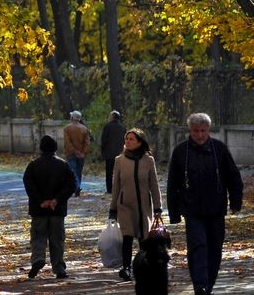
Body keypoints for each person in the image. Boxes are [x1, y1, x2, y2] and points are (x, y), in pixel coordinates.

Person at [167, 113, 244, 295]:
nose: (200, 135)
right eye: (195, 131)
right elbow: (173, 184)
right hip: (192, 210)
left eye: (203, 131)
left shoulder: (219, 149)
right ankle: (200, 285)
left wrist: (235, 202)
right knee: (198, 247)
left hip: (216, 209)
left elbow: (234, 178)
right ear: (190, 131)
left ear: (209, 130)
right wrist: (174, 213)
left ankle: (207, 286)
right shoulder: (180, 152)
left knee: (214, 250)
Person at [108, 128, 162, 281]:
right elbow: (116, 186)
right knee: (127, 237)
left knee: (144, 239)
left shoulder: (148, 160)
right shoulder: (120, 160)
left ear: (140, 142)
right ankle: (126, 268)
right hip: (125, 205)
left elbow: (154, 185)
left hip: (144, 206)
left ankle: (144, 267)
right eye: (127, 139)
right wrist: (113, 208)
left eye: (132, 139)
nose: (128, 141)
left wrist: (158, 206)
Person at [23, 134, 77, 279]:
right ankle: (59, 268)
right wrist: (57, 200)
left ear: (41, 148)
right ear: (55, 148)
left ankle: (38, 259)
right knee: (57, 239)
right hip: (57, 210)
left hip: (39, 209)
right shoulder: (63, 165)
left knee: (38, 236)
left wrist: (41, 200)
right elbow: (72, 184)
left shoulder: (33, 165)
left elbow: (29, 184)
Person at [63, 110, 90, 196]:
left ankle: (77, 187)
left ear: (72, 117)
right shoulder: (84, 128)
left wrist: (75, 151)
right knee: (78, 172)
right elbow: (87, 143)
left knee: (73, 171)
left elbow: (67, 142)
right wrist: (83, 153)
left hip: (70, 153)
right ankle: (77, 187)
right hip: (81, 154)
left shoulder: (67, 128)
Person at [100, 110, 125, 194]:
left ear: (112, 117)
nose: (109, 117)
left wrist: (102, 150)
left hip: (109, 153)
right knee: (120, 172)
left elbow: (104, 139)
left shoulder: (107, 126)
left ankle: (110, 189)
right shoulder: (122, 127)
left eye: (110, 116)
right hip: (120, 153)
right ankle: (120, 188)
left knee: (109, 173)